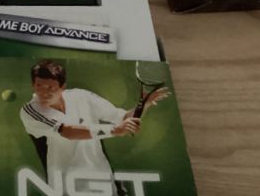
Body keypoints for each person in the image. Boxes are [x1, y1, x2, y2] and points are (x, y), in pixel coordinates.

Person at [19, 59, 169, 188]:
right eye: (39, 86)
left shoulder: (82, 96)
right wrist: (114, 130)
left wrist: (145, 104)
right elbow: (68, 131)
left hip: (103, 181)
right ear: (33, 85)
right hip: (66, 187)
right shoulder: (31, 110)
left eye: (50, 87)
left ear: (62, 86)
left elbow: (123, 117)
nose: (44, 93)